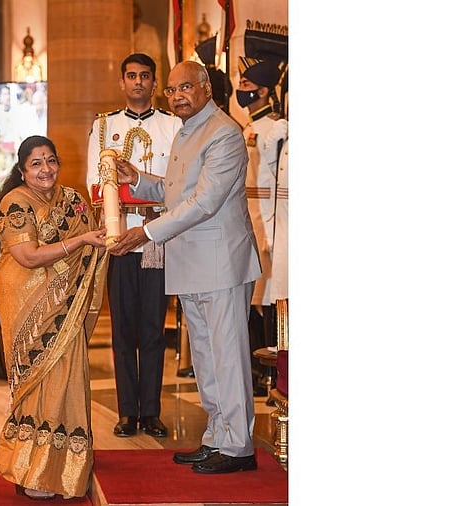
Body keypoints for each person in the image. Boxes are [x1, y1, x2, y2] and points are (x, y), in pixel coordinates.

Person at [109, 60, 262, 474]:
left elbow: (205, 202)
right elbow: (175, 190)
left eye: (185, 88)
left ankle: (239, 447)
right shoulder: (187, 132)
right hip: (191, 262)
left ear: (205, 88)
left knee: (227, 356)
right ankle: (217, 437)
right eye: (172, 90)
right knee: (207, 357)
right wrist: (138, 178)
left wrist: (147, 233)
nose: (176, 96)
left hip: (220, 263)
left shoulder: (224, 134)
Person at [0, 135, 108, 499]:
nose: (46, 169)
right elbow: (27, 256)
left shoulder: (72, 200)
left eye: (51, 160)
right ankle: (32, 468)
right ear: (22, 170)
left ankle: (64, 465)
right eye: (37, 163)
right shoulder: (15, 203)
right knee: (35, 381)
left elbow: (97, 230)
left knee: (67, 376)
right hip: (26, 303)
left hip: (63, 305)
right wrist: (82, 242)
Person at [85, 53, 182, 439]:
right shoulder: (104, 125)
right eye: (131, 76)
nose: (138, 82)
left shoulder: (172, 125)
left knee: (153, 329)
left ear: (154, 83)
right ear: (122, 82)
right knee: (123, 330)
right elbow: (95, 182)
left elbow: (178, 182)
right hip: (119, 238)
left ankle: (152, 411)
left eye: (145, 76)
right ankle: (128, 412)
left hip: (157, 237)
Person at [235, 57, 289, 391]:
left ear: (265, 91)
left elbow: (274, 187)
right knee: (255, 297)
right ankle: (258, 372)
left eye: (247, 87)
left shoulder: (275, 128)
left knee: (270, 296)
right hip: (248, 221)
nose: (242, 92)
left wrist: (270, 233)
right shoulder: (247, 127)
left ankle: (270, 374)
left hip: (269, 224)